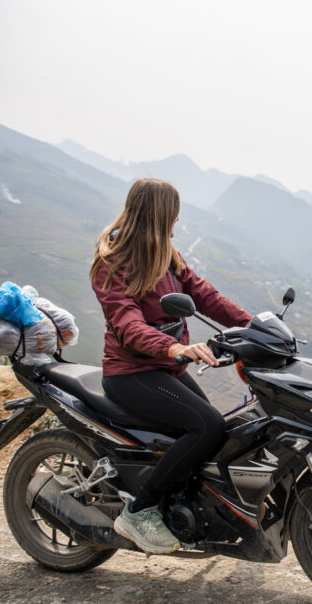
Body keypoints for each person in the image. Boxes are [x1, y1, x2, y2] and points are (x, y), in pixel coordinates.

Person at [90, 178, 252, 553]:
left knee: (218, 430)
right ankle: (140, 510)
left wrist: (255, 328)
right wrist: (174, 348)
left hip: (164, 369)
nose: (178, 218)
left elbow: (205, 296)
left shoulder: (166, 254)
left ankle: (184, 507)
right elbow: (127, 324)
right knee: (206, 426)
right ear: (160, 213)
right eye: (174, 211)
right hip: (131, 373)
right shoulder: (112, 262)